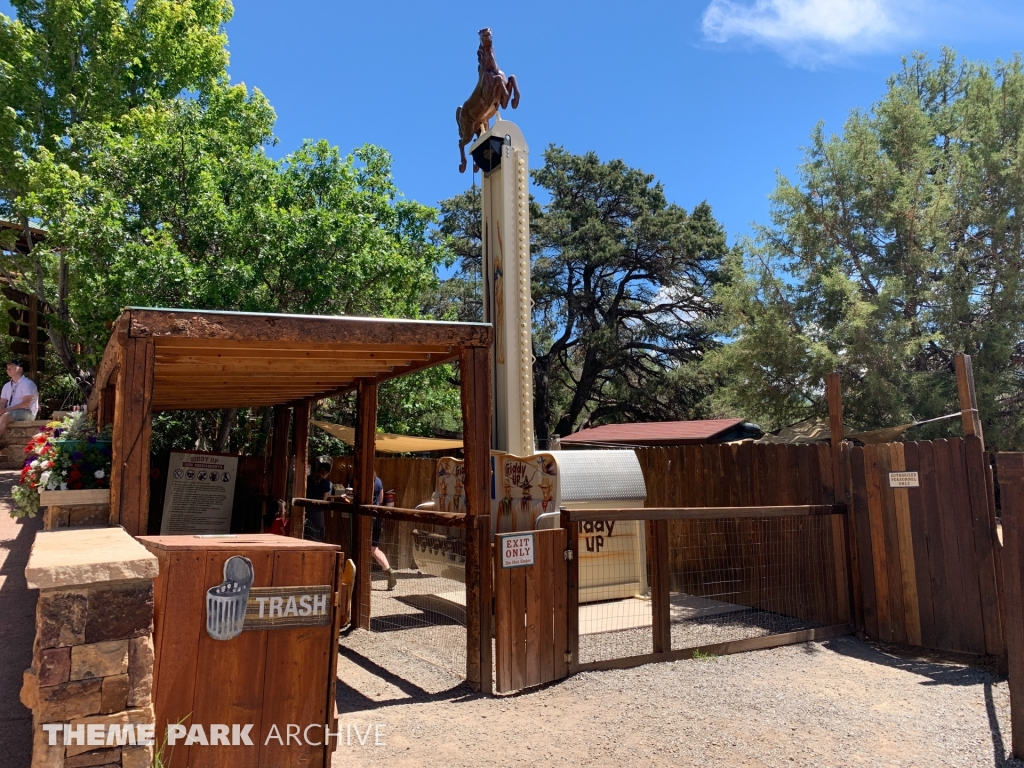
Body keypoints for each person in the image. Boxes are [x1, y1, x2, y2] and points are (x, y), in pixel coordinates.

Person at [371, 473, 398, 590]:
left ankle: (362, 579)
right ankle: (388, 570)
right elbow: (381, 500)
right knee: (374, 548)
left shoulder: (365, 481)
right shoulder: (378, 481)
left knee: (364, 548)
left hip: (367, 517)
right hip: (377, 516)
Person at [0, 358, 38, 438]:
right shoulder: (6, 386)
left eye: (11, 367)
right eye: (7, 367)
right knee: (5, 415)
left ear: (20, 369)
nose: (8, 369)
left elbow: (26, 403)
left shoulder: (27, 383)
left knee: (5, 416)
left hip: (27, 412)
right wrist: (1, 409)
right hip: (10, 411)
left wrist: (6, 410)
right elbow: (2, 402)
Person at [304, 460, 333, 541]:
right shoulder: (326, 483)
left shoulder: (308, 479)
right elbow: (324, 500)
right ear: (327, 473)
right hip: (317, 512)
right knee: (317, 535)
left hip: (306, 510)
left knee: (307, 533)